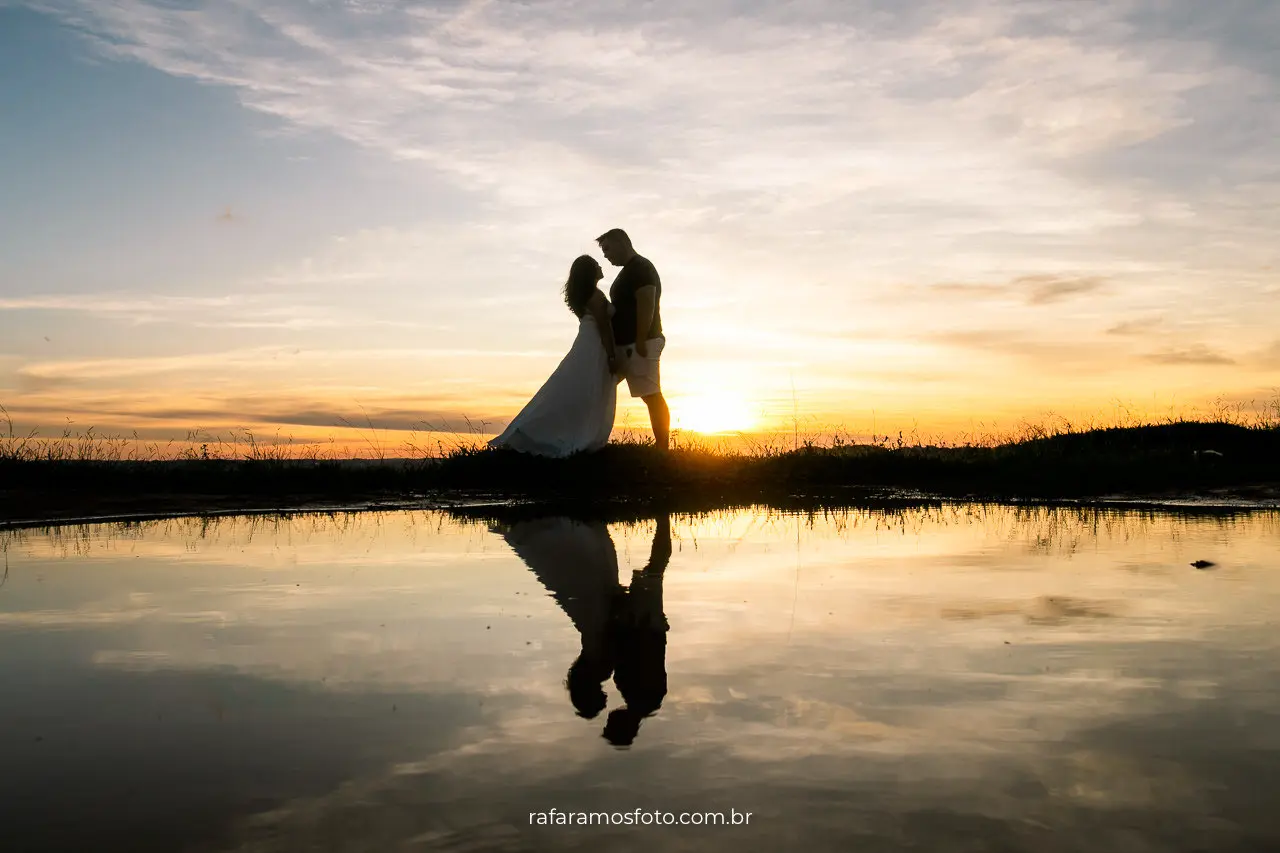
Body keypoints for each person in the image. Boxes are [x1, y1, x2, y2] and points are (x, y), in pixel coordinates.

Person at [487, 255, 619, 457]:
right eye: (596, 264)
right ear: (590, 272)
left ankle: (541, 430)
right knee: (586, 389)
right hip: (594, 346)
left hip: (586, 343)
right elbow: (603, 327)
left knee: (569, 388)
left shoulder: (586, 296)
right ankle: (570, 434)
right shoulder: (595, 296)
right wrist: (611, 355)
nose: (601, 266)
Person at [597, 229, 671, 451]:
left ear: (622, 243)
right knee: (600, 386)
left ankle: (662, 448)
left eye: (607, 249)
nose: (606, 255)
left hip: (640, 344)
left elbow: (646, 303)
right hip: (627, 345)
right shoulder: (630, 270)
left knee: (651, 395)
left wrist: (640, 340)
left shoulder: (641, 268)